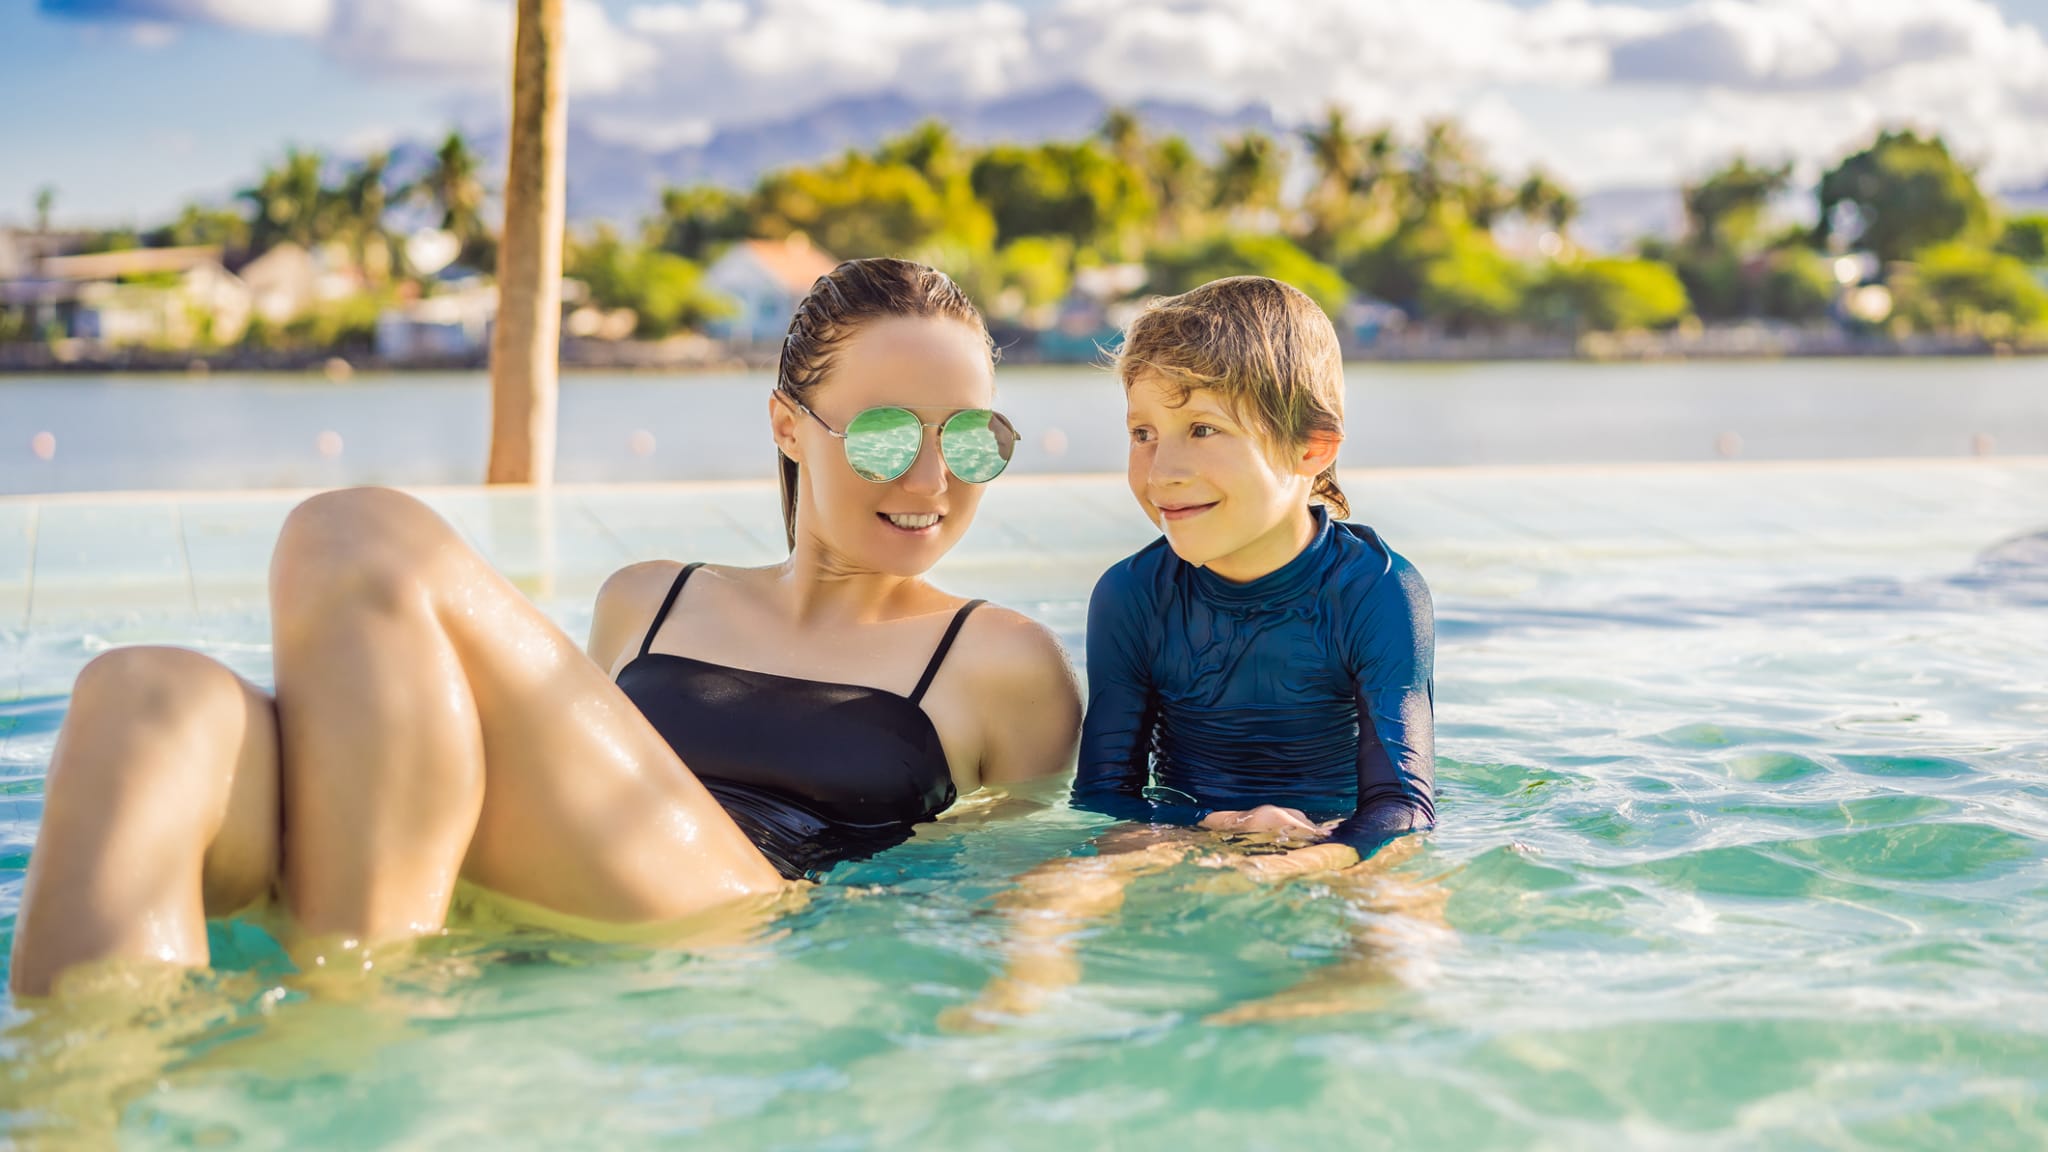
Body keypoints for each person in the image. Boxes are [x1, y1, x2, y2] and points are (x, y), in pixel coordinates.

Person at [11, 258, 1082, 999]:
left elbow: (1010, 891)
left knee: (355, 532)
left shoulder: (1000, 660)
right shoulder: (646, 598)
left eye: (971, 440)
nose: (933, 481)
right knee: (147, 698)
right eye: (890, 436)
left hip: (744, 917)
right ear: (787, 427)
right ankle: (73, 1107)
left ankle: (351, 1025)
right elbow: (512, 769)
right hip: (538, 881)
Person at [946, 275, 1436, 1027]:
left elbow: (1403, 806)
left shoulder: (1377, 590)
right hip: (1180, 834)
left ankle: (1258, 1035)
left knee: (1406, 942)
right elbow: (1105, 792)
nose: (1161, 471)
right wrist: (1190, 839)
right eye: (1142, 433)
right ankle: (1009, 1022)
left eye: (1202, 429)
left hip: (1339, 839)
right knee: (1038, 902)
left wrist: (1304, 859)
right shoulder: (1132, 595)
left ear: (1311, 447)